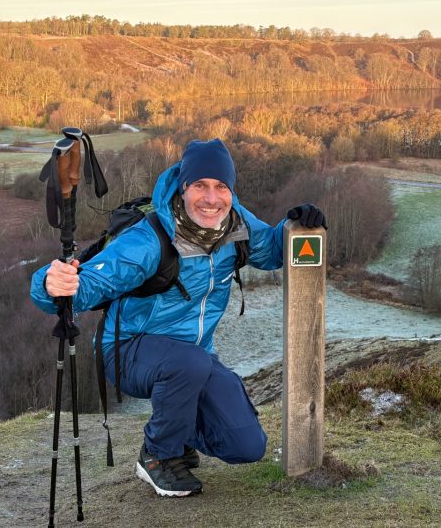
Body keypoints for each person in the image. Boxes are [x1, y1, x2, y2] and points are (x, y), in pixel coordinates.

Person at [30, 138, 326, 497]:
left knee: (247, 445)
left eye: (221, 186)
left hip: (194, 357)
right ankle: (157, 455)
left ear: (231, 191)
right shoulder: (149, 239)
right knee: (189, 364)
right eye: (200, 185)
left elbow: (273, 251)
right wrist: (51, 284)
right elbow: (87, 286)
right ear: (183, 188)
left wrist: (297, 226)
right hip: (127, 351)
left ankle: (178, 432)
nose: (211, 198)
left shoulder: (236, 225)